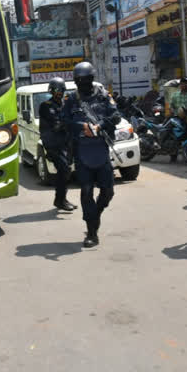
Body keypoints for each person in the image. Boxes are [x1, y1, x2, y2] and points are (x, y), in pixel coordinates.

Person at [62, 61, 121, 248]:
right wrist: (82, 127)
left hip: (101, 149)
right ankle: (92, 233)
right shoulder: (71, 99)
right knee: (86, 191)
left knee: (108, 192)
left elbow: (116, 116)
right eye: (79, 81)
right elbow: (64, 120)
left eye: (85, 80)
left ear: (92, 79)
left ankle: (96, 214)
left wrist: (100, 126)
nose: (83, 84)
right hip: (82, 150)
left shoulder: (103, 96)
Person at [39, 77, 76, 211]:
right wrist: (68, 121)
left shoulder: (64, 105)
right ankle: (60, 200)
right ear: (51, 91)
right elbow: (56, 124)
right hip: (53, 145)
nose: (58, 94)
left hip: (64, 144)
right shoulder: (46, 106)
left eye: (60, 91)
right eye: (56, 91)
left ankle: (60, 199)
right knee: (64, 170)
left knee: (65, 171)